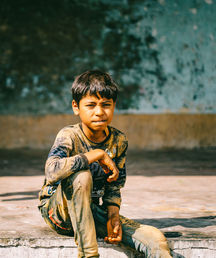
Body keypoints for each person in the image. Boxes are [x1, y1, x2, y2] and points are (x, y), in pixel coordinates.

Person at [38, 70, 172, 258]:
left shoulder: (118, 140)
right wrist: (96, 154)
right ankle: (89, 254)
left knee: (154, 238)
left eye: (106, 105)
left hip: (90, 212)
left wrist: (113, 216)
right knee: (81, 176)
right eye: (91, 105)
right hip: (59, 213)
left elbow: (115, 184)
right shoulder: (69, 135)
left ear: (114, 106)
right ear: (76, 107)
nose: (99, 112)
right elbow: (52, 171)